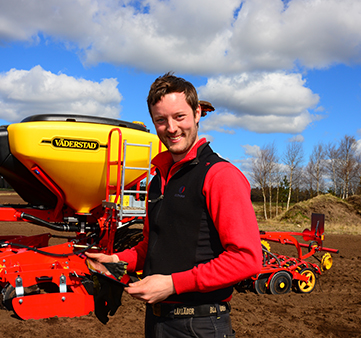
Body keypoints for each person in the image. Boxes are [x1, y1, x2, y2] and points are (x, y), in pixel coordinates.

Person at [87, 73, 262, 337]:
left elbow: (246, 259)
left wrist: (172, 284)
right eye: (161, 120)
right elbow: (153, 246)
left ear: (197, 113)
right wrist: (115, 261)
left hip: (200, 325)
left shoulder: (219, 176)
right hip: (158, 322)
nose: (171, 128)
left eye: (179, 117)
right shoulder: (158, 180)